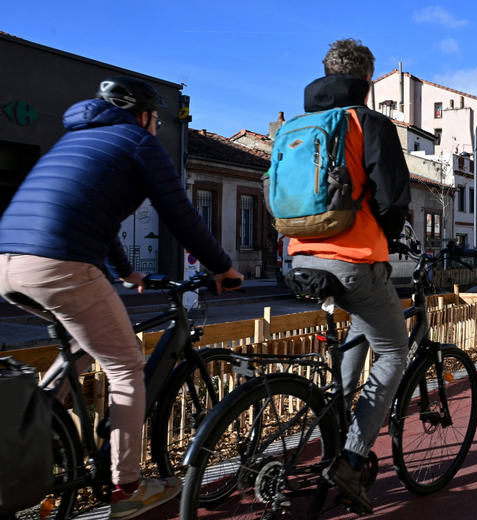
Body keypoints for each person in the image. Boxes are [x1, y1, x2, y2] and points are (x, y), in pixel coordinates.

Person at [0, 77, 243, 519]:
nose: (156, 128)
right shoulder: (136, 141)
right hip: (63, 264)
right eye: (156, 120)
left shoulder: (74, 140)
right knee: (127, 364)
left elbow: (98, 216)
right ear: (146, 116)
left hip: (10, 263)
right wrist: (222, 267)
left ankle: (32, 431)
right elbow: (180, 212)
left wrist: (128, 272)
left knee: (81, 342)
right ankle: (127, 488)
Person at [288, 39, 411, 514]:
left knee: (359, 330)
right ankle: (353, 458)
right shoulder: (368, 122)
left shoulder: (298, 127)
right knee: (394, 349)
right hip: (354, 258)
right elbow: (394, 198)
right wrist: (386, 236)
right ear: (367, 78)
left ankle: (336, 424)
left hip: (302, 256)